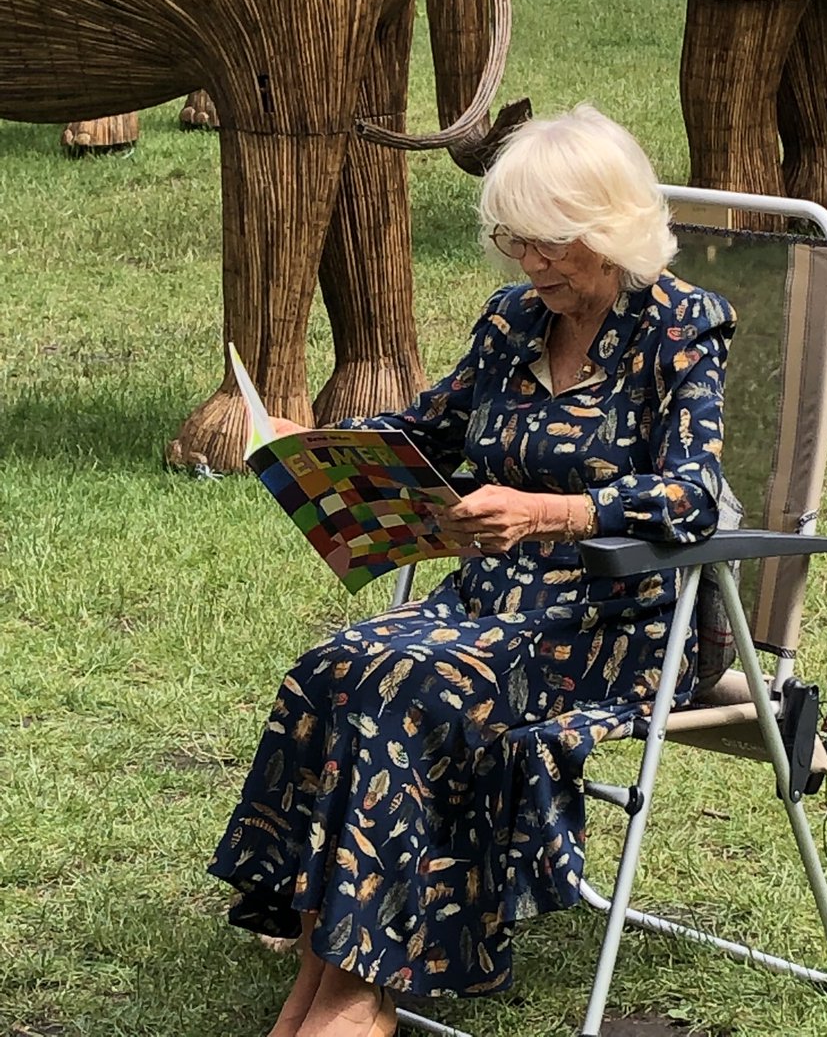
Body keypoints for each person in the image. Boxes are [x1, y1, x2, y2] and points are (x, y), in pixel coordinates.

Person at [208, 104, 737, 1037]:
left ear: (609, 230)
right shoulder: (512, 322)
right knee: (334, 669)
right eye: (514, 240)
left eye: (550, 245)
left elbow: (694, 496)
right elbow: (424, 429)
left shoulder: (683, 327)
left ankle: (352, 1001)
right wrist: (312, 444)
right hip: (489, 603)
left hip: (615, 626)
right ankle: (331, 988)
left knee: (409, 686)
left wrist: (552, 512)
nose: (530, 264)